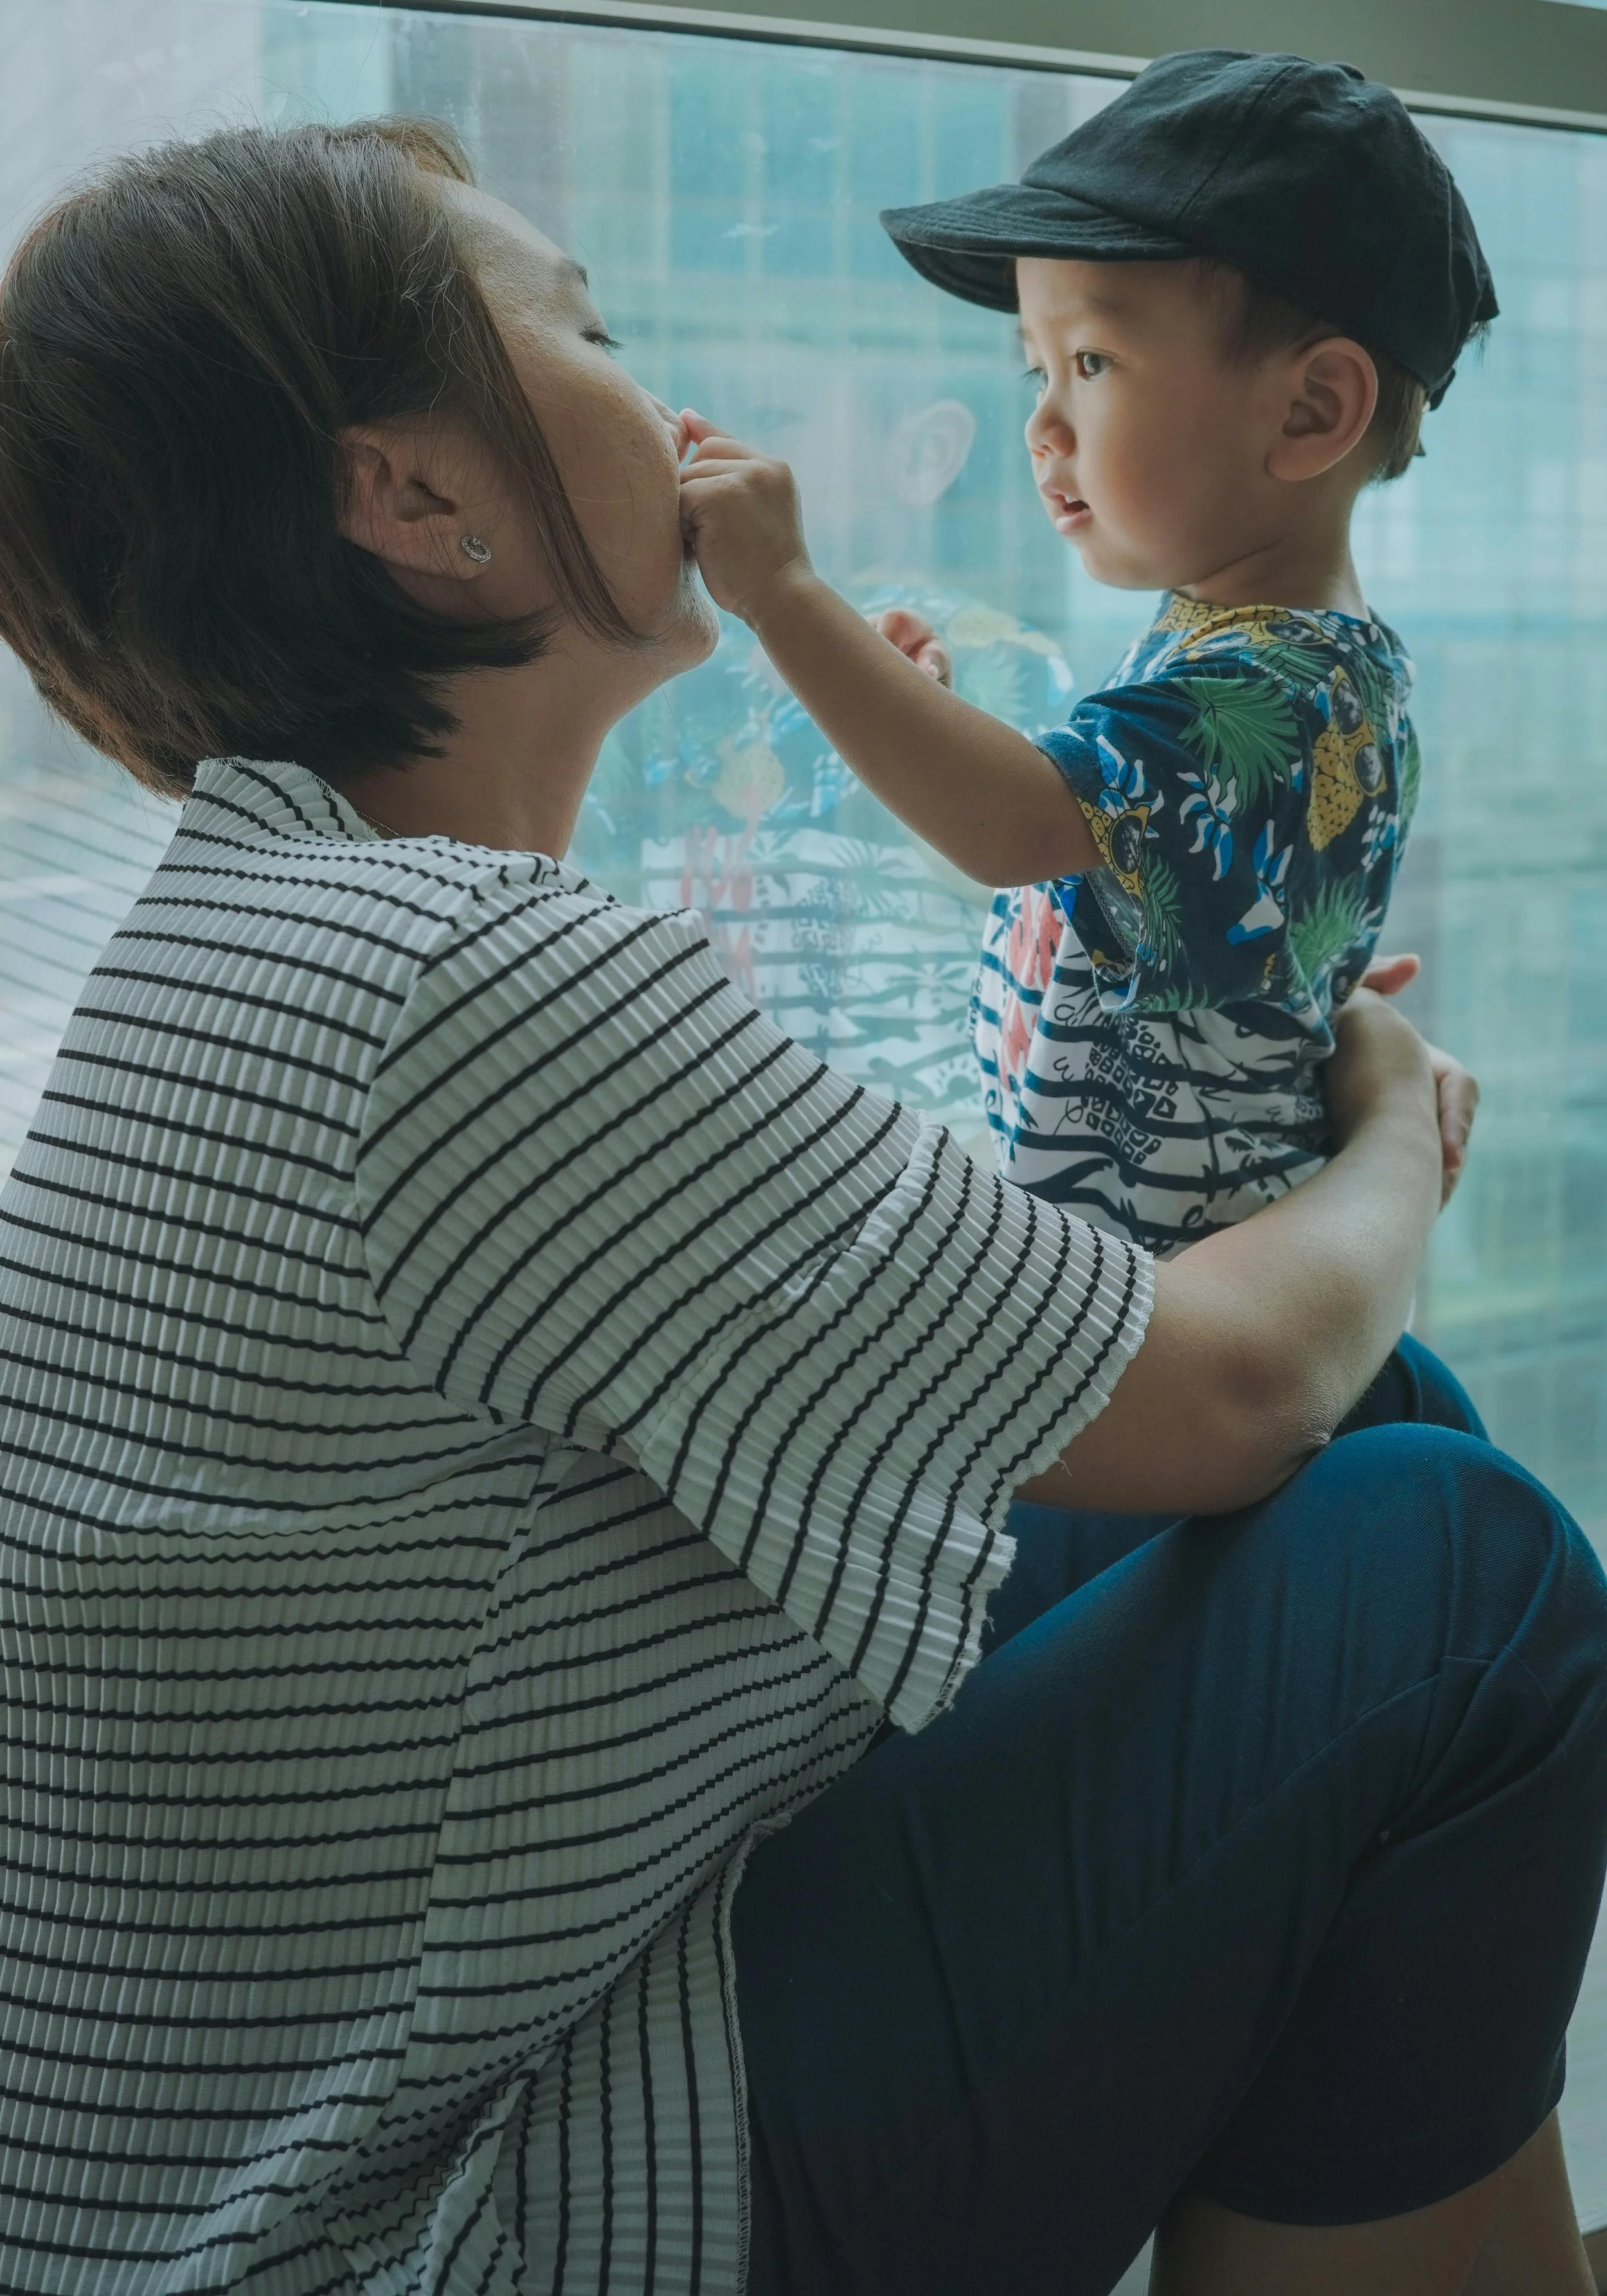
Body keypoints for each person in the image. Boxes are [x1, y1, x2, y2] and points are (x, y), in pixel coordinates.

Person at [0, 114, 1601, 2296]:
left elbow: (929, 1309)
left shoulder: (286, 927)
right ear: (420, 498)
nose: (661, 394)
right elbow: (1218, 1391)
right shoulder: (455, 977)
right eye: (588, 326)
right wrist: (1394, 1137)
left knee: (1376, 1419)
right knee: (1462, 1571)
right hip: (434, 2216)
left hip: (378, 2075)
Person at [678, 51, 1496, 1250]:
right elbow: (1100, 881)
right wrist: (928, 721)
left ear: (1312, 410)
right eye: (1037, 366)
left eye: (1093, 363)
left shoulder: (1265, 690)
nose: (1042, 421)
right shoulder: (1295, 659)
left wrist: (789, 596)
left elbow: (1015, 826)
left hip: (1176, 1319)